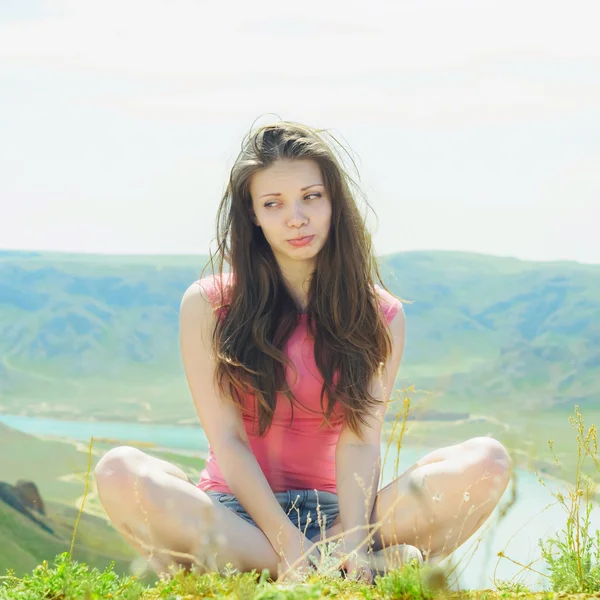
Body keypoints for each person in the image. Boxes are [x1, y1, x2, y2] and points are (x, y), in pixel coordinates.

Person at [94, 120, 512, 584]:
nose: (297, 218)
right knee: (118, 472)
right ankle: (325, 570)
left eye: (311, 197)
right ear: (253, 215)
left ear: (334, 202)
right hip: (235, 514)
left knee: (487, 461)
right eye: (273, 204)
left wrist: (352, 533)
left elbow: (361, 440)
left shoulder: (380, 315)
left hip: (337, 516)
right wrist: (286, 541)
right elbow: (228, 440)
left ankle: (317, 562)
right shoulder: (209, 304)